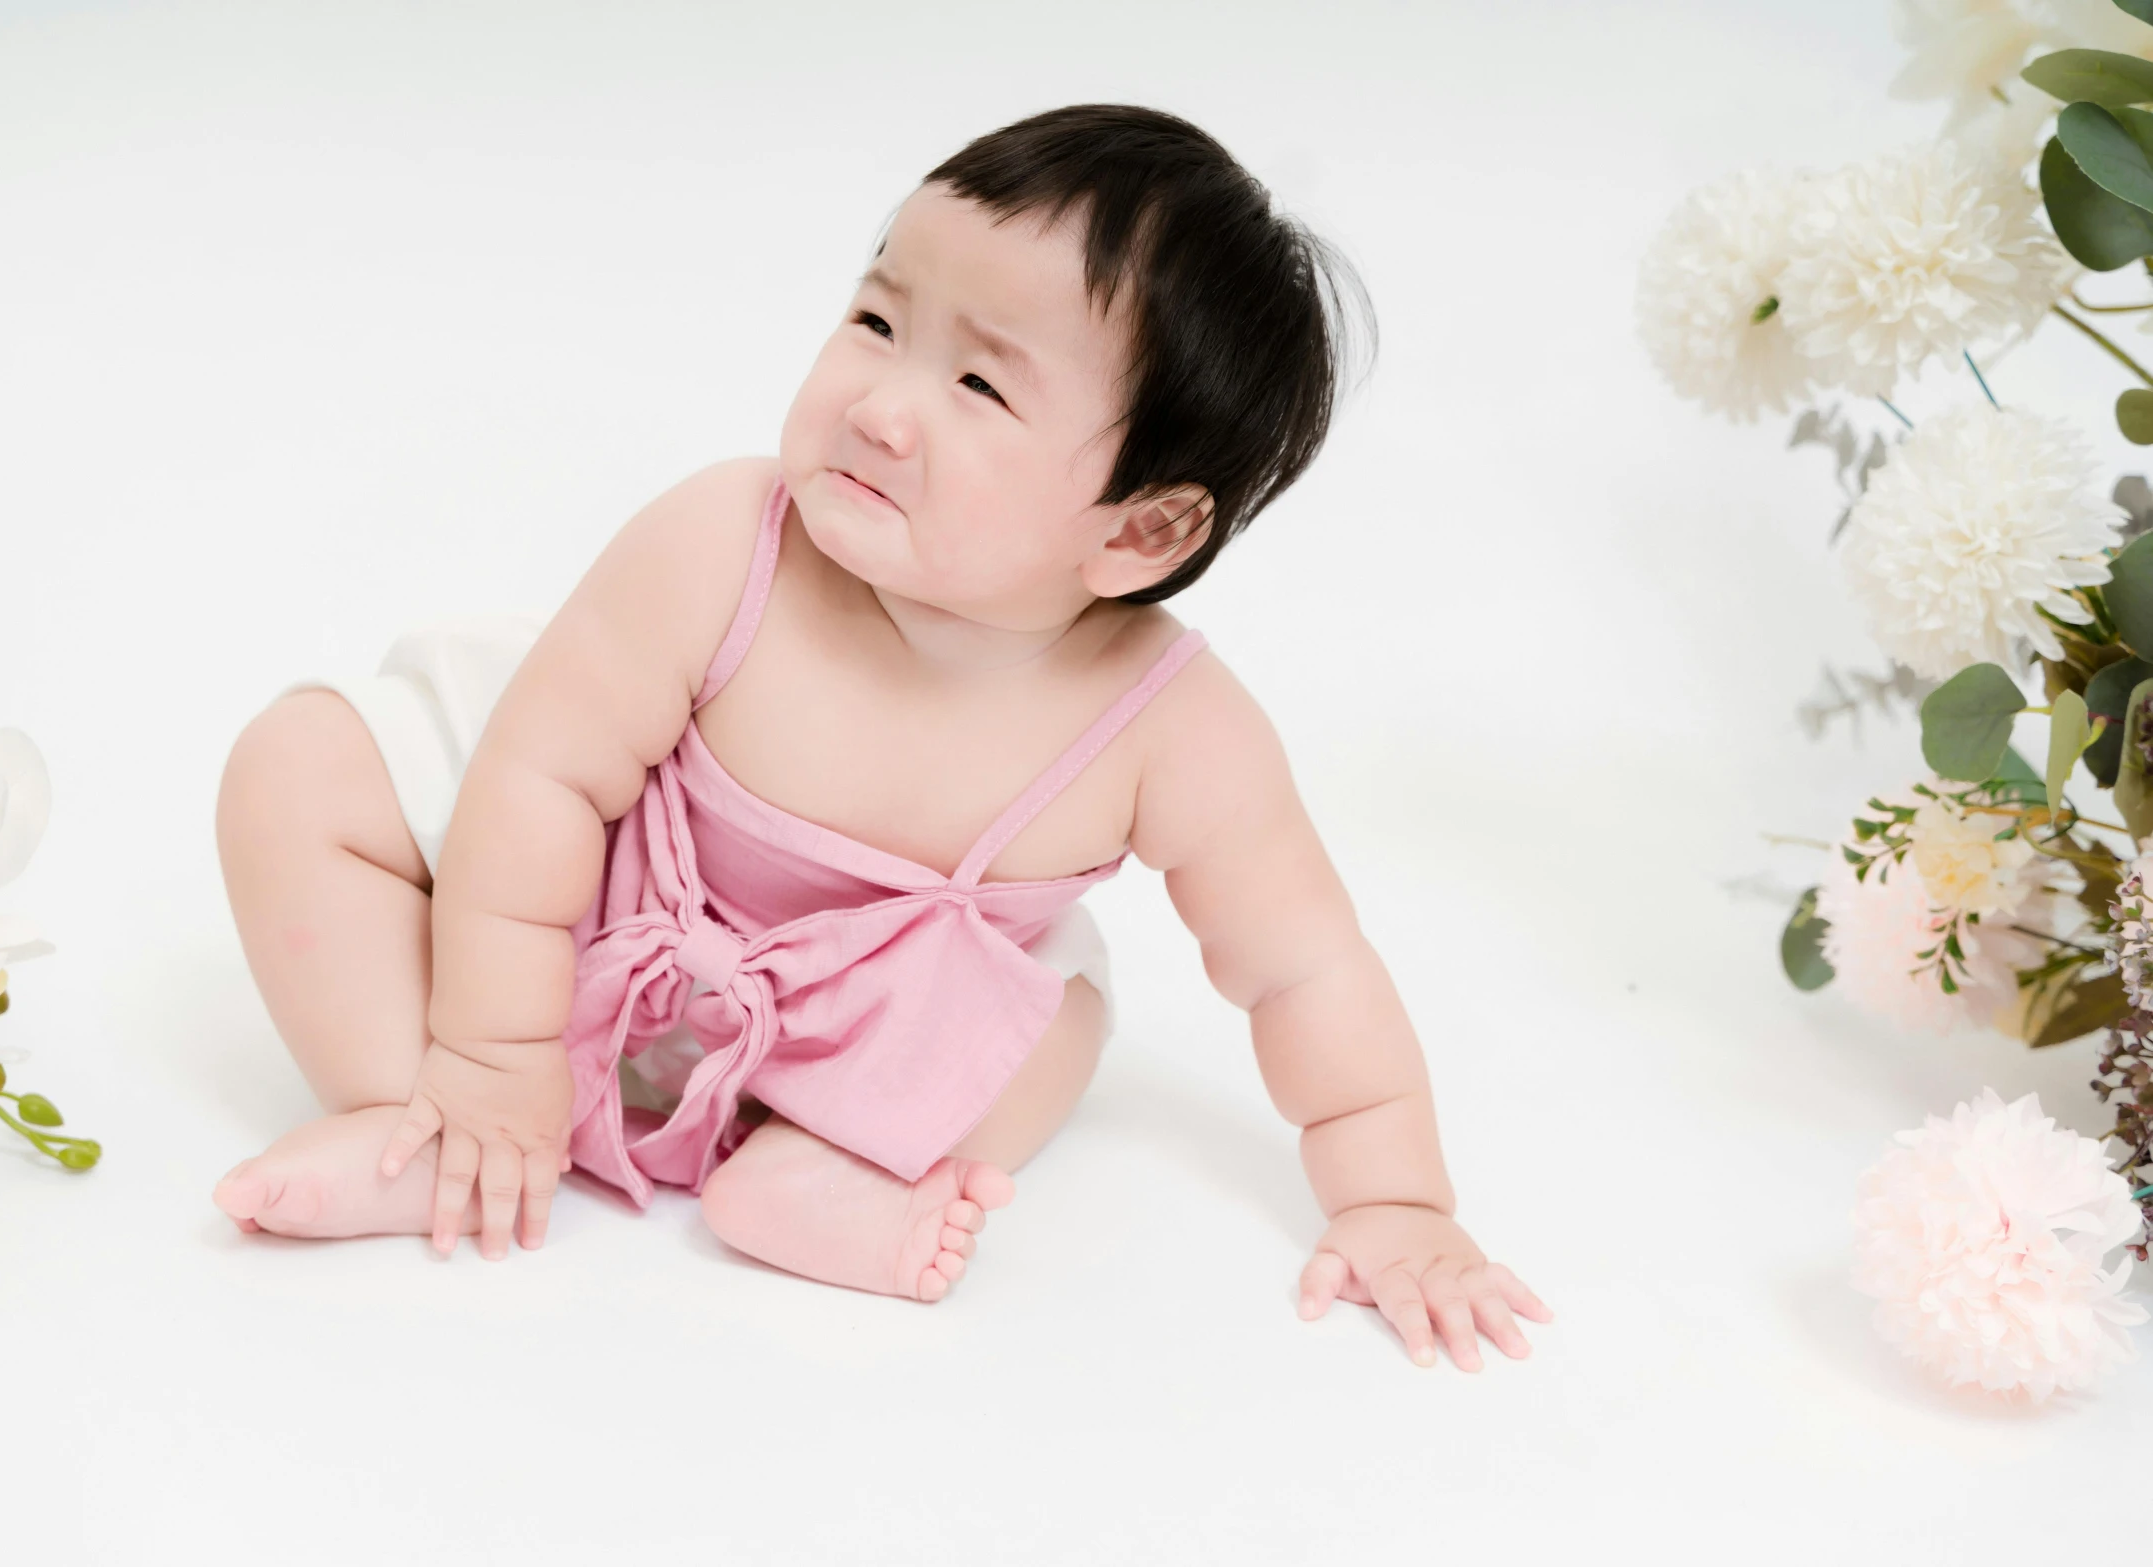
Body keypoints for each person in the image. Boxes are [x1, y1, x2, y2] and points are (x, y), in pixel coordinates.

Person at [211, 104, 1551, 1373]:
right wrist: (492, 1051)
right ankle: (431, 1120)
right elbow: (539, 778)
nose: (878, 402)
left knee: (1055, 1021)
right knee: (300, 768)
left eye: (977, 380)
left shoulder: (1171, 729)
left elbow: (1303, 971)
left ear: (1139, 530)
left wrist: (1395, 1199)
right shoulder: (724, 541)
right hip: (574, 915)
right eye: (874, 317)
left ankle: (817, 1165)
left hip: (858, 1018)